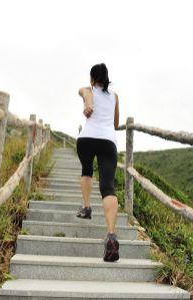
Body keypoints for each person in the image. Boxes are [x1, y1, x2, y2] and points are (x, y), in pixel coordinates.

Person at [76, 63, 120, 262]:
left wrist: (89, 105)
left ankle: (86, 208)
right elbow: (116, 124)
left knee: (87, 170)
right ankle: (111, 235)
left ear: (92, 78)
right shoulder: (115, 97)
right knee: (108, 187)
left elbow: (86, 94)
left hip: (87, 138)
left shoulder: (88, 89)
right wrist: (90, 104)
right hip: (108, 141)